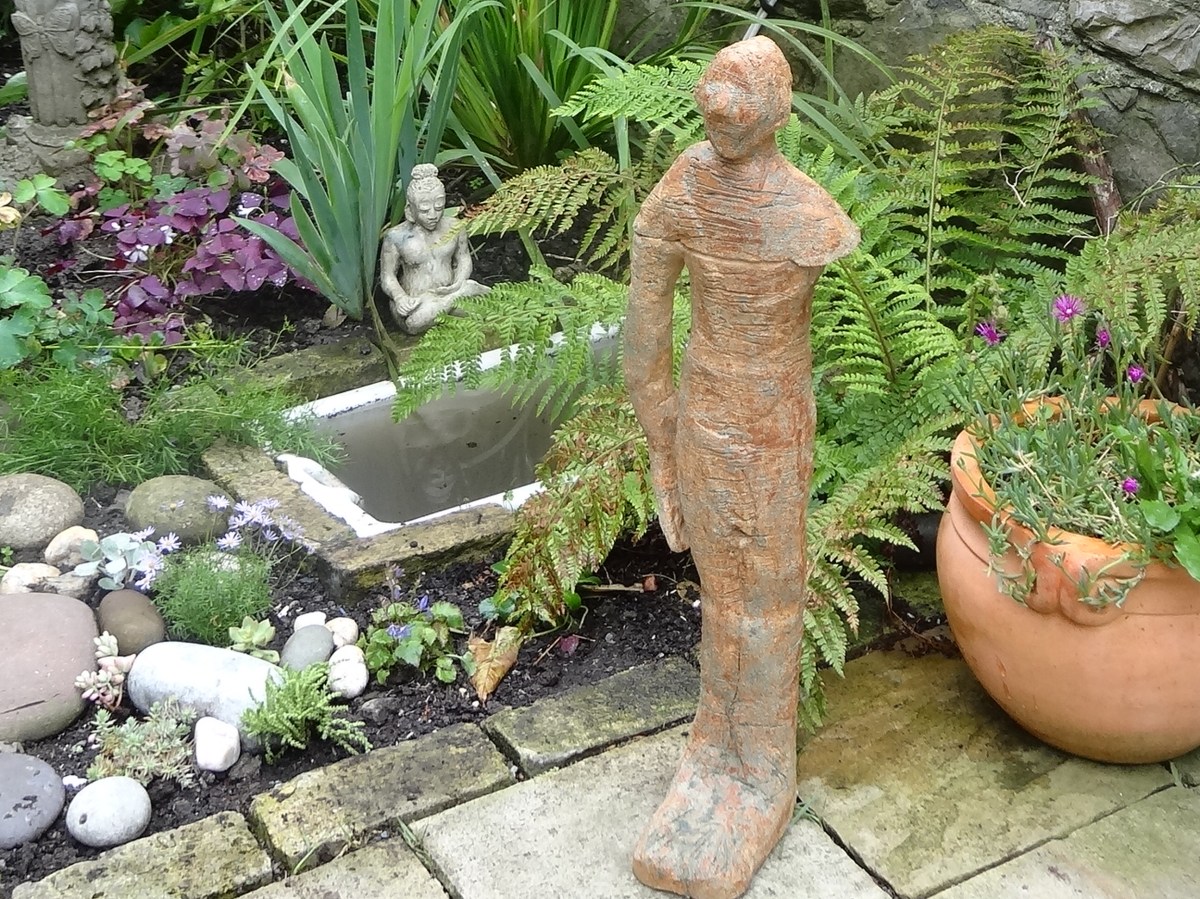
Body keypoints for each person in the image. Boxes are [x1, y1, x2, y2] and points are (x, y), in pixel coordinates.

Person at [624, 36, 860, 899]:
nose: (722, 106)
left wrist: (664, 435)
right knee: (731, 594)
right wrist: (662, 444)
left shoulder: (801, 211)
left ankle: (759, 769)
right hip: (713, 418)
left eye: (741, 90)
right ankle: (716, 757)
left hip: (768, 426)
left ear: (778, 109)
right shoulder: (694, 186)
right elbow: (644, 332)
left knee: (764, 596)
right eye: (715, 86)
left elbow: (646, 336)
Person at [379, 164, 488, 335]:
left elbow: (463, 258)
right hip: (416, 303)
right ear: (410, 210)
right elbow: (387, 276)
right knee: (414, 323)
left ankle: (458, 296)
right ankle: (465, 293)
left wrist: (458, 282)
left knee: (486, 311)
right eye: (424, 210)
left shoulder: (455, 227)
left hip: (449, 290)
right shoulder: (395, 236)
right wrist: (400, 297)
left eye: (438, 208)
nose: (432, 215)